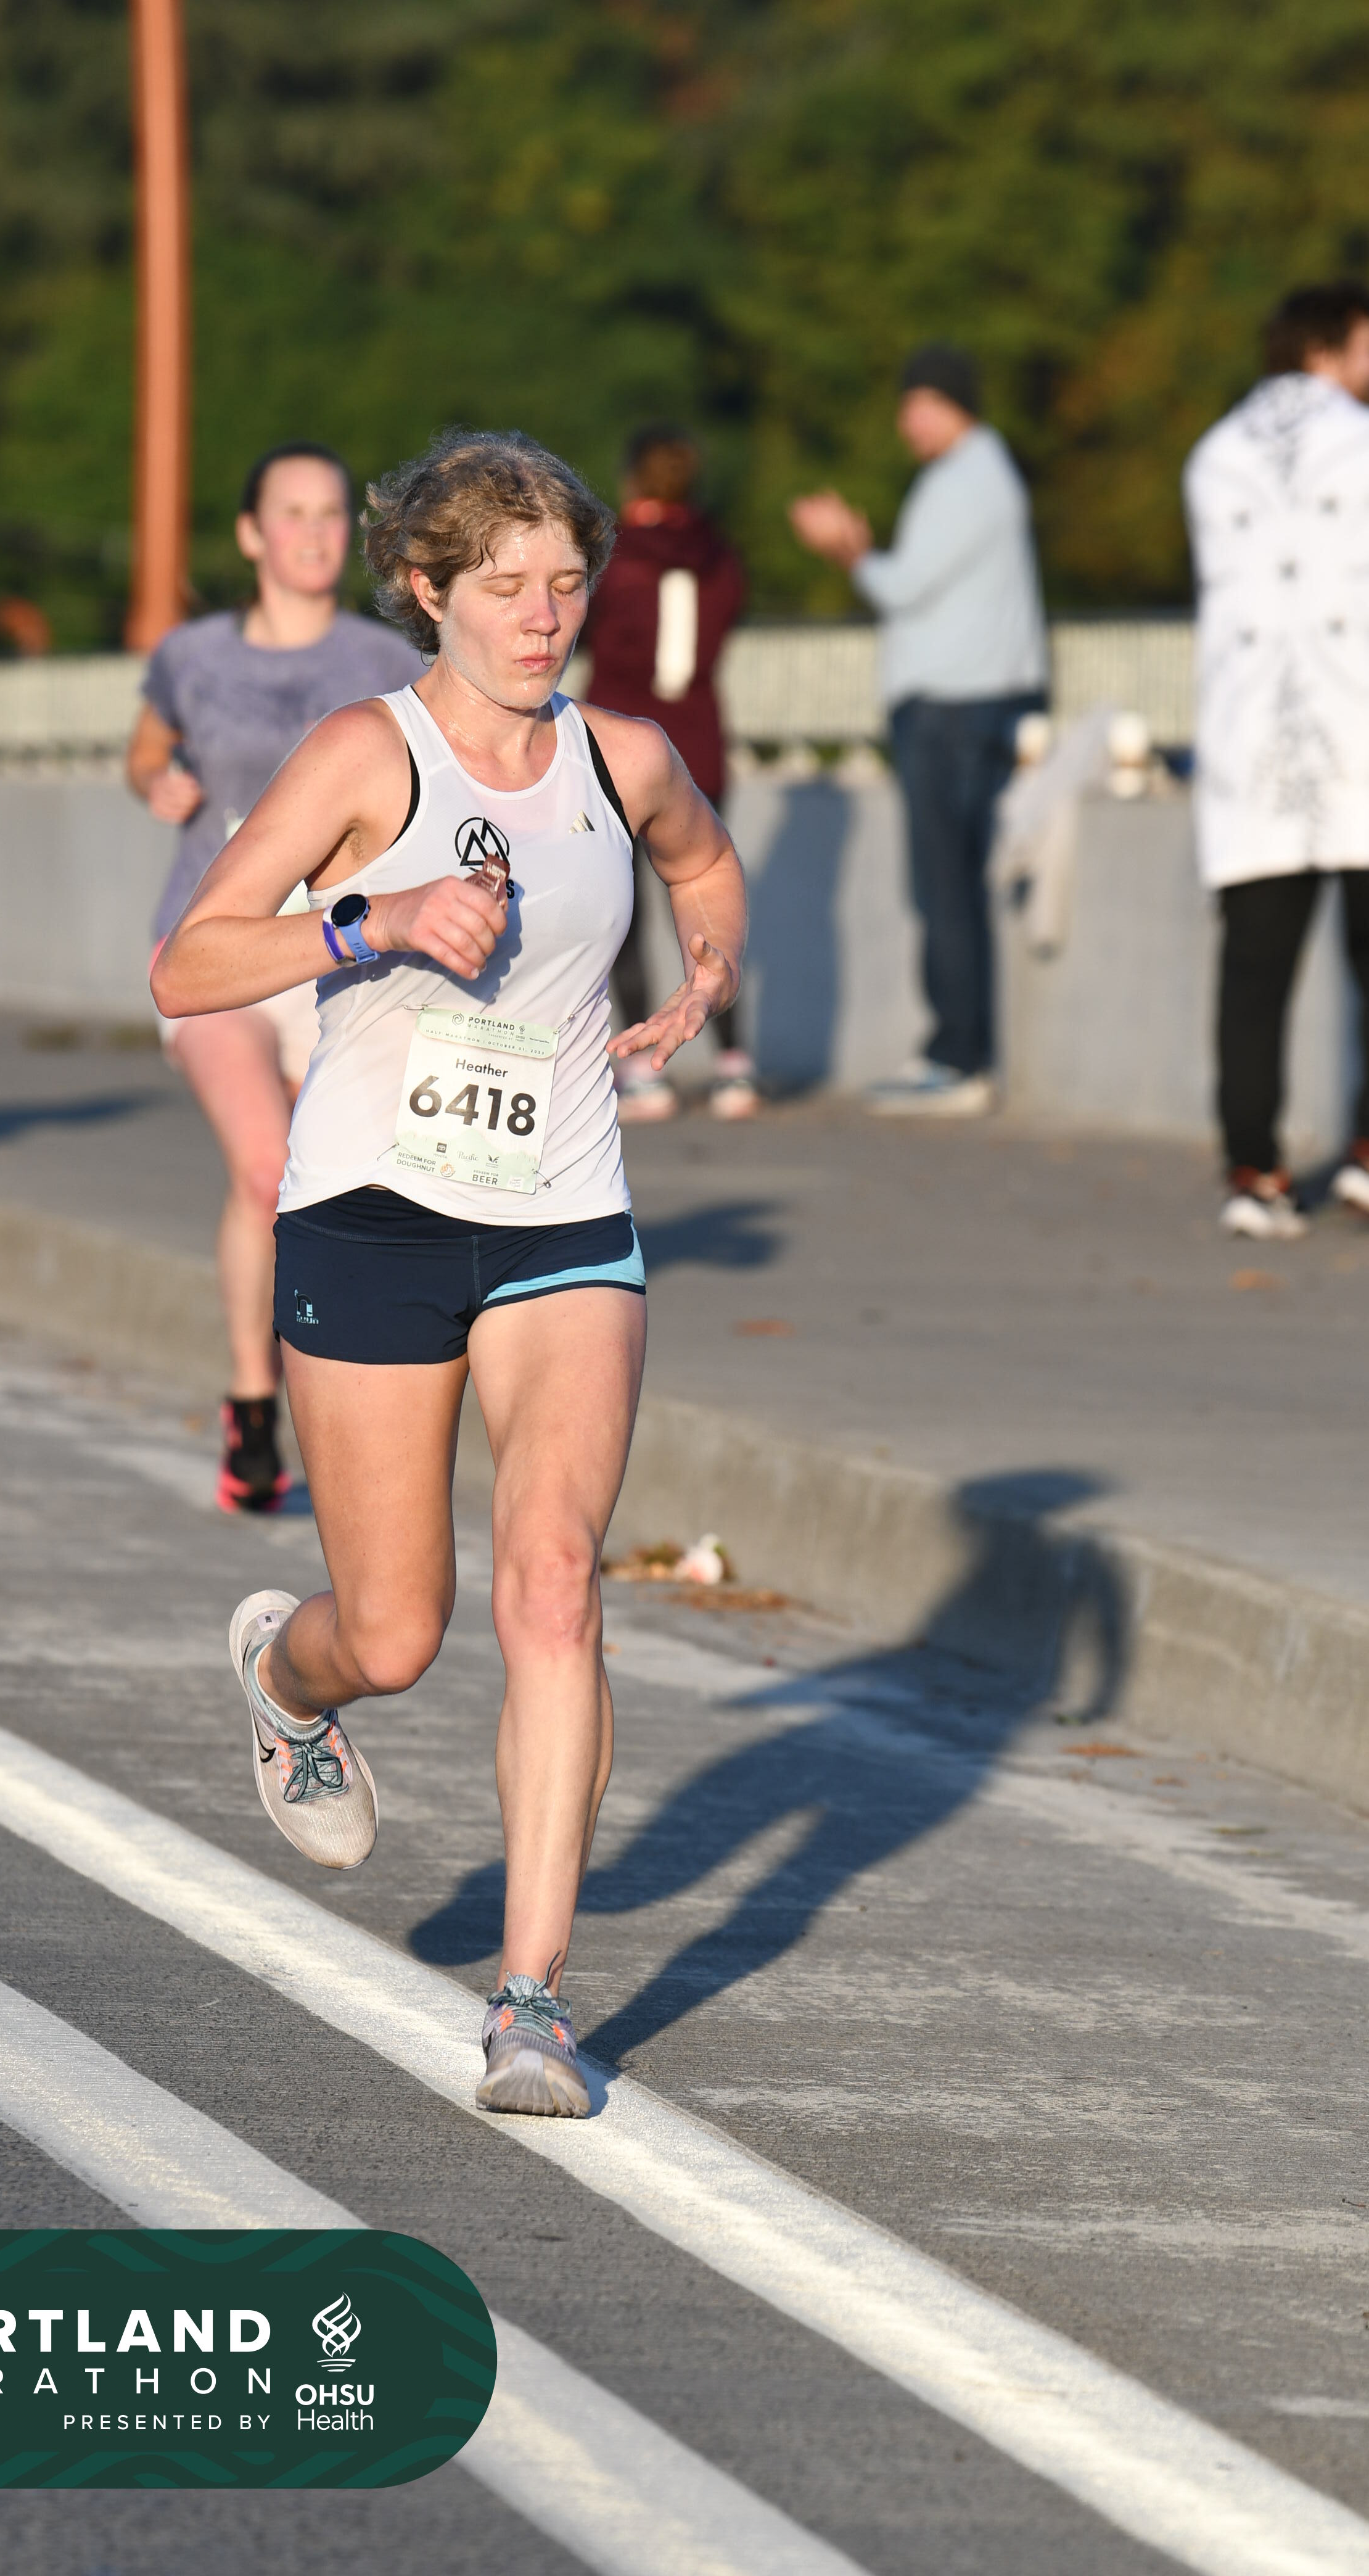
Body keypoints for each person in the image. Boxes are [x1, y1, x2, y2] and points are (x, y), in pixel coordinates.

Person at [152, 429, 745, 2118]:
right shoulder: (367, 753)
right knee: (397, 1630)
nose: (543, 616)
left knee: (553, 1583)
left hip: (566, 1216)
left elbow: (701, 859)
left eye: (566, 583)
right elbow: (189, 963)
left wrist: (702, 975)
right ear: (425, 590)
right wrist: (375, 921)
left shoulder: (621, 757)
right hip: (374, 1213)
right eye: (505, 587)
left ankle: (533, 2002)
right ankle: (289, 1679)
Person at [127, 445, 422, 1507]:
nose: (313, 533)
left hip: (345, 952)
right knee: (266, 1167)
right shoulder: (193, 654)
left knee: (340, 1183)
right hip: (218, 949)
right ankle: (254, 1400)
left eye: (332, 513)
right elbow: (146, 750)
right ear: (251, 534)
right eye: (291, 514)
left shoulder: (390, 658)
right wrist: (157, 783)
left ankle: (350, 1398)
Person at [790, 343, 1046, 1115]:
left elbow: (901, 587)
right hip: (971, 701)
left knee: (944, 885)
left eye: (916, 406)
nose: (907, 424)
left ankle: (956, 1059)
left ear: (947, 402)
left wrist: (848, 549)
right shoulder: (984, 476)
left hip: (952, 706)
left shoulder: (963, 480)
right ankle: (958, 1051)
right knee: (952, 882)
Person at [1183, 281, 1369, 1241]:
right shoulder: (1361, 438)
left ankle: (1252, 1169)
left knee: (1255, 975)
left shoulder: (1215, 454)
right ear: (1330, 347)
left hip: (1250, 742)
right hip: (1357, 730)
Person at [582, 423, 752, 1121]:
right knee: (710, 898)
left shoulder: (613, 555)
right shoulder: (721, 554)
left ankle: (644, 1068)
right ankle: (734, 1066)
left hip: (621, 745)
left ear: (632, 479)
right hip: (699, 742)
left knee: (622, 909)